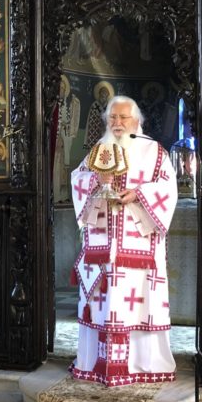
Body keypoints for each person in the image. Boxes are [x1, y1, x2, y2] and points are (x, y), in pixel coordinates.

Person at [70, 95, 178, 386]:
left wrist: (138, 194)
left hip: (139, 247)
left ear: (136, 120)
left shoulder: (155, 152)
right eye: (112, 117)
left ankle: (144, 364)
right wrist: (96, 182)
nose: (117, 123)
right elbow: (77, 178)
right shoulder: (98, 149)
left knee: (139, 305)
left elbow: (168, 187)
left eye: (123, 117)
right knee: (102, 305)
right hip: (102, 247)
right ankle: (96, 363)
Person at [53, 74, 81, 202]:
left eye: (63, 89)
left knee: (64, 168)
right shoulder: (53, 105)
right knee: (56, 168)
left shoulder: (68, 104)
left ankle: (63, 195)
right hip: (57, 139)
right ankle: (55, 195)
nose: (62, 91)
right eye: (59, 88)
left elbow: (71, 121)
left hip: (65, 139)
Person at [83, 81, 114, 150]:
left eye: (105, 94)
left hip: (105, 133)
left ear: (108, 95)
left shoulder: (109, 106)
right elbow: (91, 120)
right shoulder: (94, 105)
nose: (103, 95)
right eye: (102, 93)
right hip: (94, 132)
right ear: (99, 94)